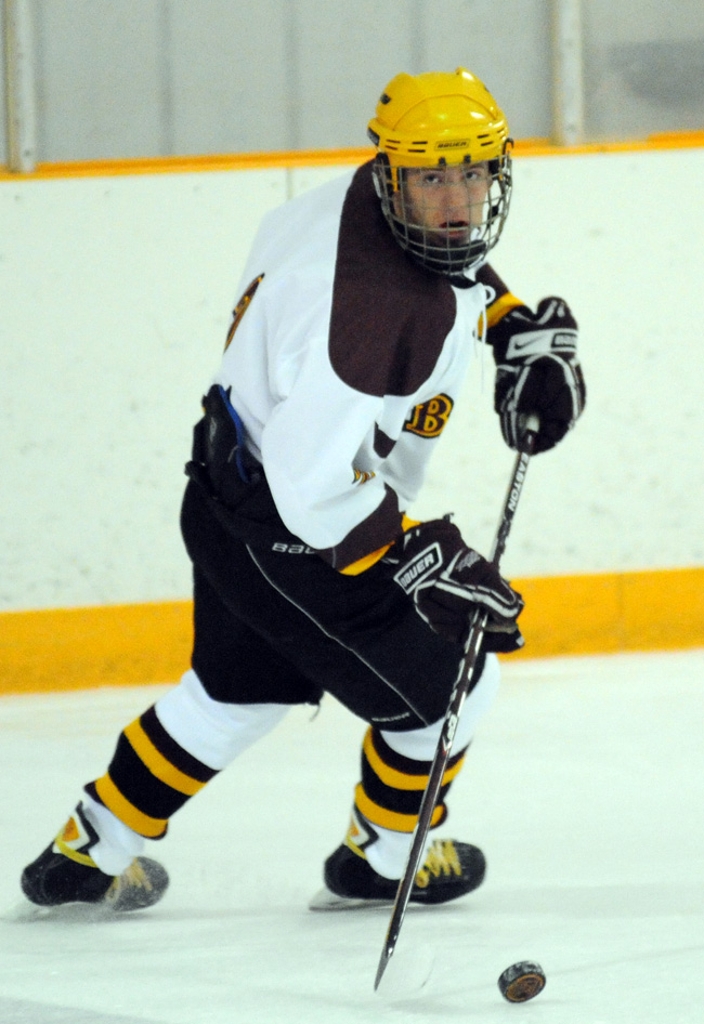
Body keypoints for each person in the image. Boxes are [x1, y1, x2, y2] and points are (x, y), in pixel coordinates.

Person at [21, 67, 585, 914]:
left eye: (474, 172)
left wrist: (506, 325)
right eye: (435, 176)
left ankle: (88, 849)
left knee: (234, 694)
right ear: (396, 170)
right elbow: (312, 491)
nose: (459, 198)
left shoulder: (357, 200)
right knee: (454, 684)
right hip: (297, 534)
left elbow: (452, 255)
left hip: (222, 492)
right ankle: (387, 858)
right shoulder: (368, 317)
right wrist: (416, 558)